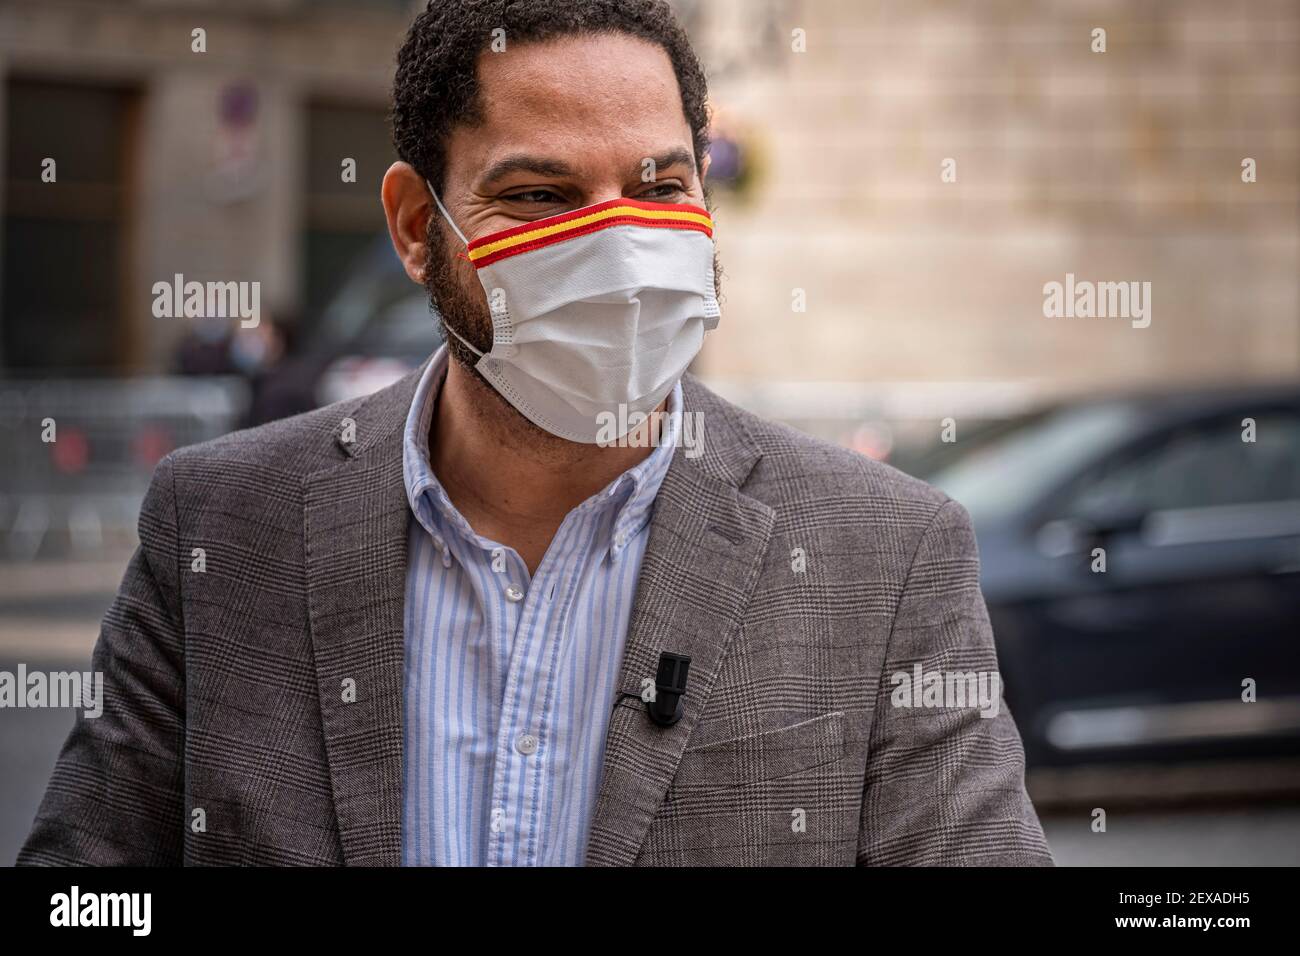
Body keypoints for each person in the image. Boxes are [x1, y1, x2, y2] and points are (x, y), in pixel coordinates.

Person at [18, 0, 1051, 866]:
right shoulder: (223, 525)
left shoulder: (882, 553)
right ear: (419, 228)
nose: (621, 248)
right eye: (539, 194)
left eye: (659, 186)